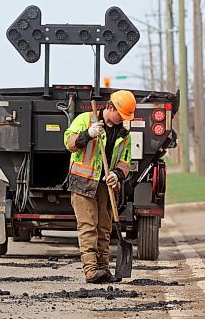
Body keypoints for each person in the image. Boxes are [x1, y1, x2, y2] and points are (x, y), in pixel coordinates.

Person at [64, 90, 136, 283]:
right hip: (83, 182)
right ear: (110, 107)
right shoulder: (85, 120)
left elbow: (125, 161)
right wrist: (88, 134)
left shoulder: (124, 134)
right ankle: (91, 271)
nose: (123, 120)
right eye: (121, 115)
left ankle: (104, 269)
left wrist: (117, 174)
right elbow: (68, 143)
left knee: (104, 228)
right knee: (88, 227)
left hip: (105, 185)